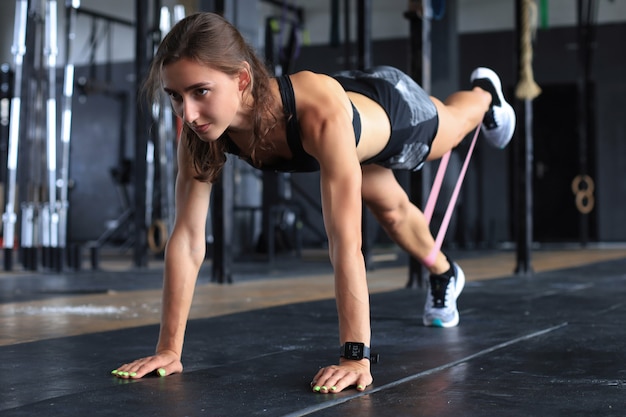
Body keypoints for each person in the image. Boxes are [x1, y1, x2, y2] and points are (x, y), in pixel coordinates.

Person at [111, 12, 516, 394]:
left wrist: (356, 358)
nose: (189, 112)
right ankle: (445, 275)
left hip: (391, 114)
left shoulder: (316, 114)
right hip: (347, 120)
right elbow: (186, 238)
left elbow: (345, 243)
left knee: (455, 124)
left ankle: (486, 94)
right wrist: (169, 349)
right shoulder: (200, 133)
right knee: (392, 211)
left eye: (200, 92)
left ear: (241, 79)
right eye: (176, 97)